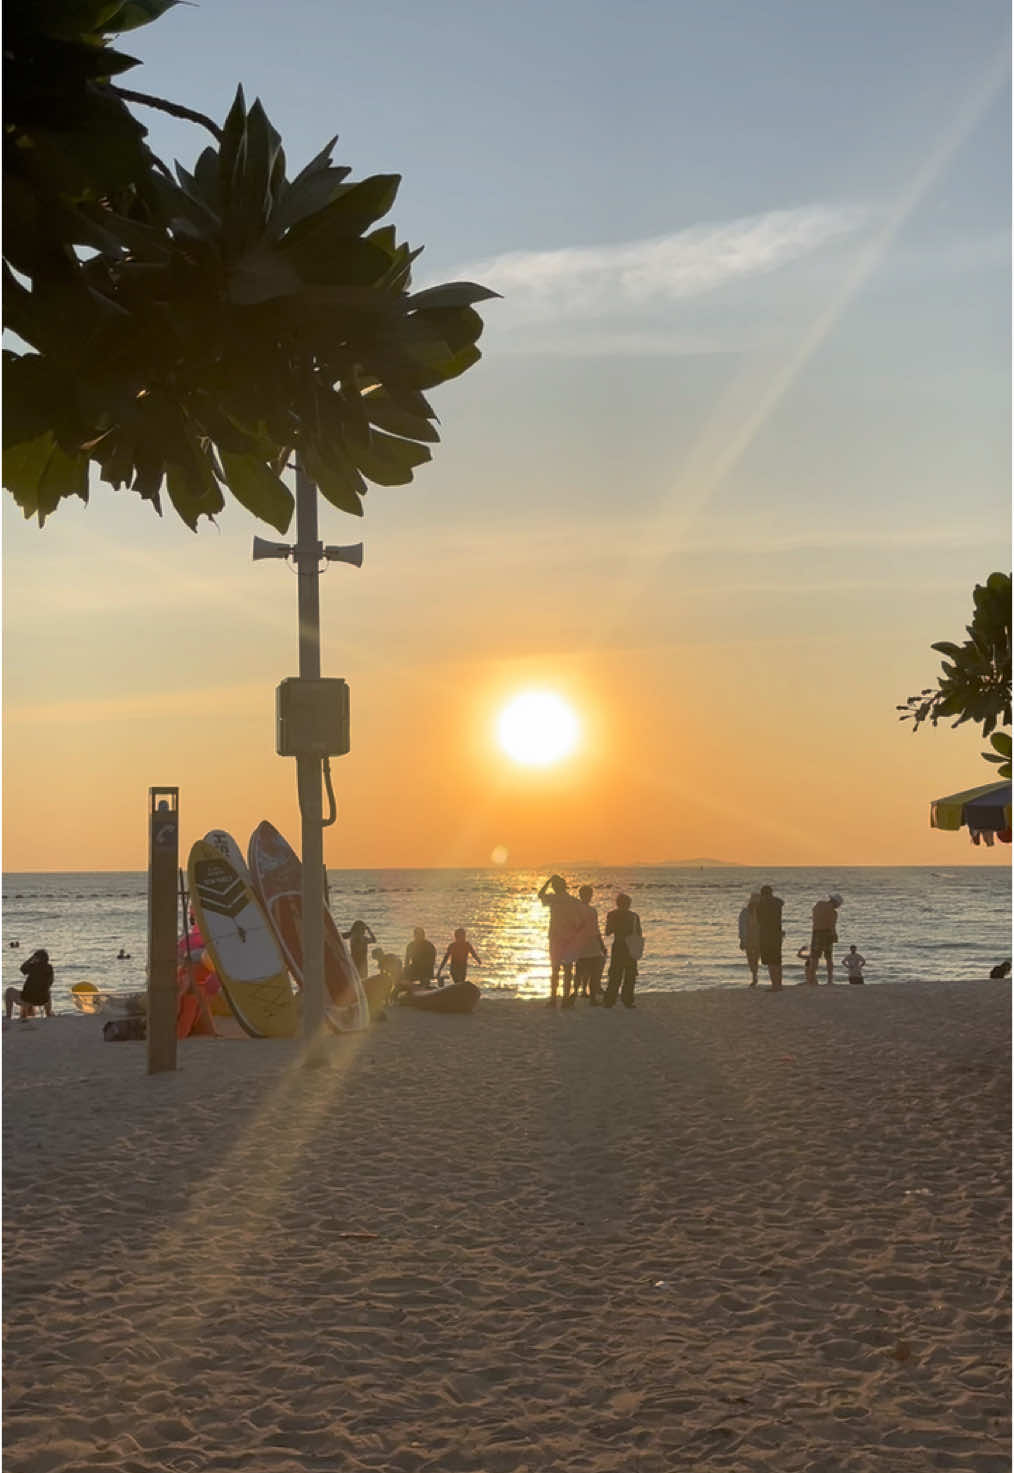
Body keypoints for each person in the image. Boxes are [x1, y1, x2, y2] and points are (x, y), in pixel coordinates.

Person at [538, 875, 587, 1006]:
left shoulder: (554, 899)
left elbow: (540, 894)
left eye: (553, 886)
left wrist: (547, 882)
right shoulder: (573, 900)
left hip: (556, 938)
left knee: (555, 970)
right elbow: (583, 920)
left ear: (555, 887)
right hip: (569, 938)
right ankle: (565, 998)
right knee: (568, 970)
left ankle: (553, 999)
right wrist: (577, 932)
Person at [602, 893, 642, 1009]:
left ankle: (610, 1000)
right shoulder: (634, 916)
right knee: (630, 975)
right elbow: (639, 933)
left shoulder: (612, 915)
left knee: (615, 974)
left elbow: (608, 932)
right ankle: (628, 1000)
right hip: (630, 947)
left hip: (618, 945)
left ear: (617, 903)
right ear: (629, 904)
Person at [573, 885, 607, 1004]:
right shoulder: (592, 911)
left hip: (579, 943)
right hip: (591, 943)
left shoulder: (575, 909)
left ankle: (578, 992)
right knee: (594, 969)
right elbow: (596, 930)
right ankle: (591, 997)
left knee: (580, 968)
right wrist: (602, 945)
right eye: (590, 895)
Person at [5, 949, 54, 1020]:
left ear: (36, 958)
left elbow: (22, 969)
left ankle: (8, 1016)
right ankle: (48, 1012)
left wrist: (30, 959)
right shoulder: (50, 968)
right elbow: (50, 982)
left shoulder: (33, 966)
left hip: (28, 999)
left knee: (9, 991)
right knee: (48, 990)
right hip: (42, 1000)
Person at [806, 893, 842, 984]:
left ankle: (812, 979)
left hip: (816, 932)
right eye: (838, 905)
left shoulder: (819, 905)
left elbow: (814, 914)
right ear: (836, 903)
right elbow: (832, 926)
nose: (838, 907)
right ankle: (830, 980)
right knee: (829, 958)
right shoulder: (833, 913)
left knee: (814, 957)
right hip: (827, 933)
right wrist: (835, 936)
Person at [756, 885, 784, 990]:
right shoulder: (777, 903)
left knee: (770, 962)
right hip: (777, 934)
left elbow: (759, 921)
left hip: (766, 935)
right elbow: (782, 902)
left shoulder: (760, 905)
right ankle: (779, 984)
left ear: (762, 894)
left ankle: (774, 985)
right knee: (777, 960)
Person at [738, 893, 761, 986]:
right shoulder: (745, 912)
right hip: (749, 938)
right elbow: (741, 927)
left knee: (755, 958)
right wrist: (742, 939)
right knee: (751, 959)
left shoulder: (762, 912)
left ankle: (755, 976)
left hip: (759, 938)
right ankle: (754, 975)